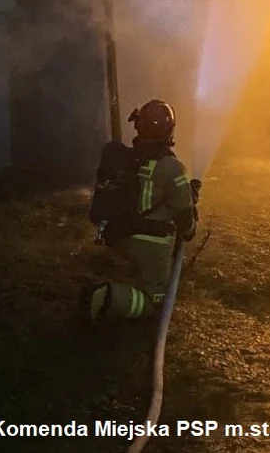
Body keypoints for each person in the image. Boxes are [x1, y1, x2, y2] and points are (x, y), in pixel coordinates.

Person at [82, 99, 200, 325]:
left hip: (118, 234)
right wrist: (191, 229)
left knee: (141, 273)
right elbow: (184, 215)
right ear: (169, 130)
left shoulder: (127, 159)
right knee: (158, 304)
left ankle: (132, 278)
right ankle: (104, 297)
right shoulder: (172, 168)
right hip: (150, 244)